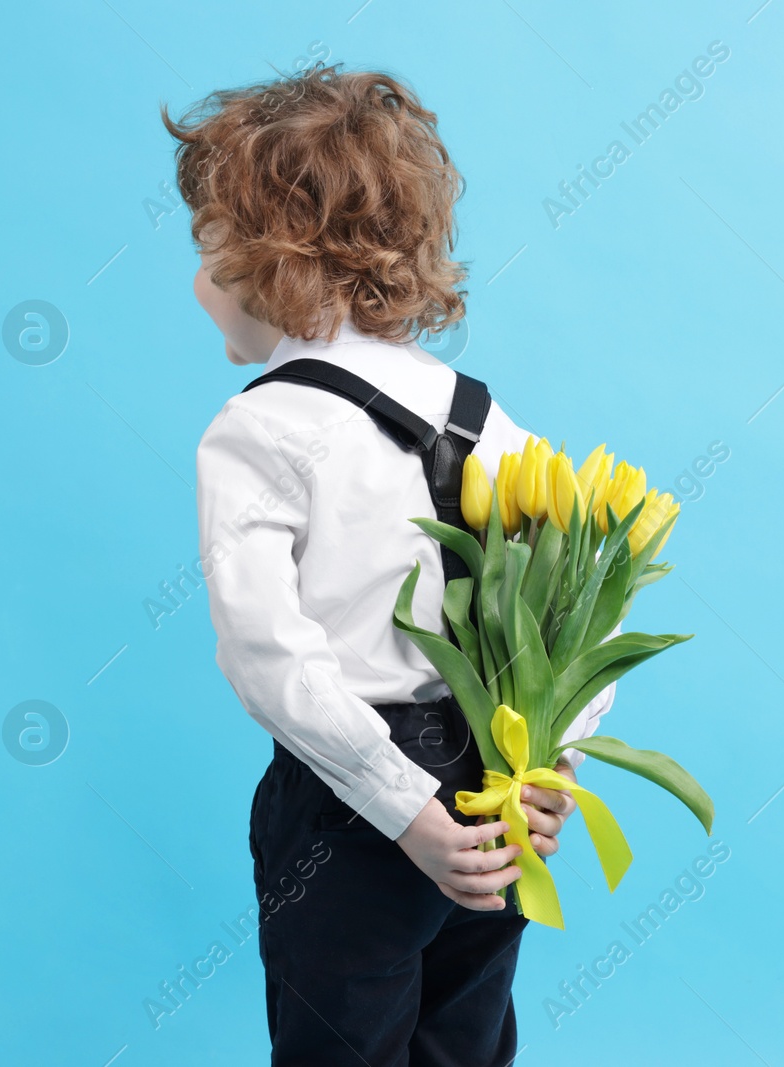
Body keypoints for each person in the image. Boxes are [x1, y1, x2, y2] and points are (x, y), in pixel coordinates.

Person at [165, 65, 617, 1066]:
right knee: (463, 1038)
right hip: (494, 788)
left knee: (341, 1044)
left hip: (350, 807)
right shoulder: (485, 417)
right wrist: (551, 767)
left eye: (206, 249)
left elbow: (267, 658)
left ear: (274, 259)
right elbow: (578, 621)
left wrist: (401, 808)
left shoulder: (258, 431)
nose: (197, 281)